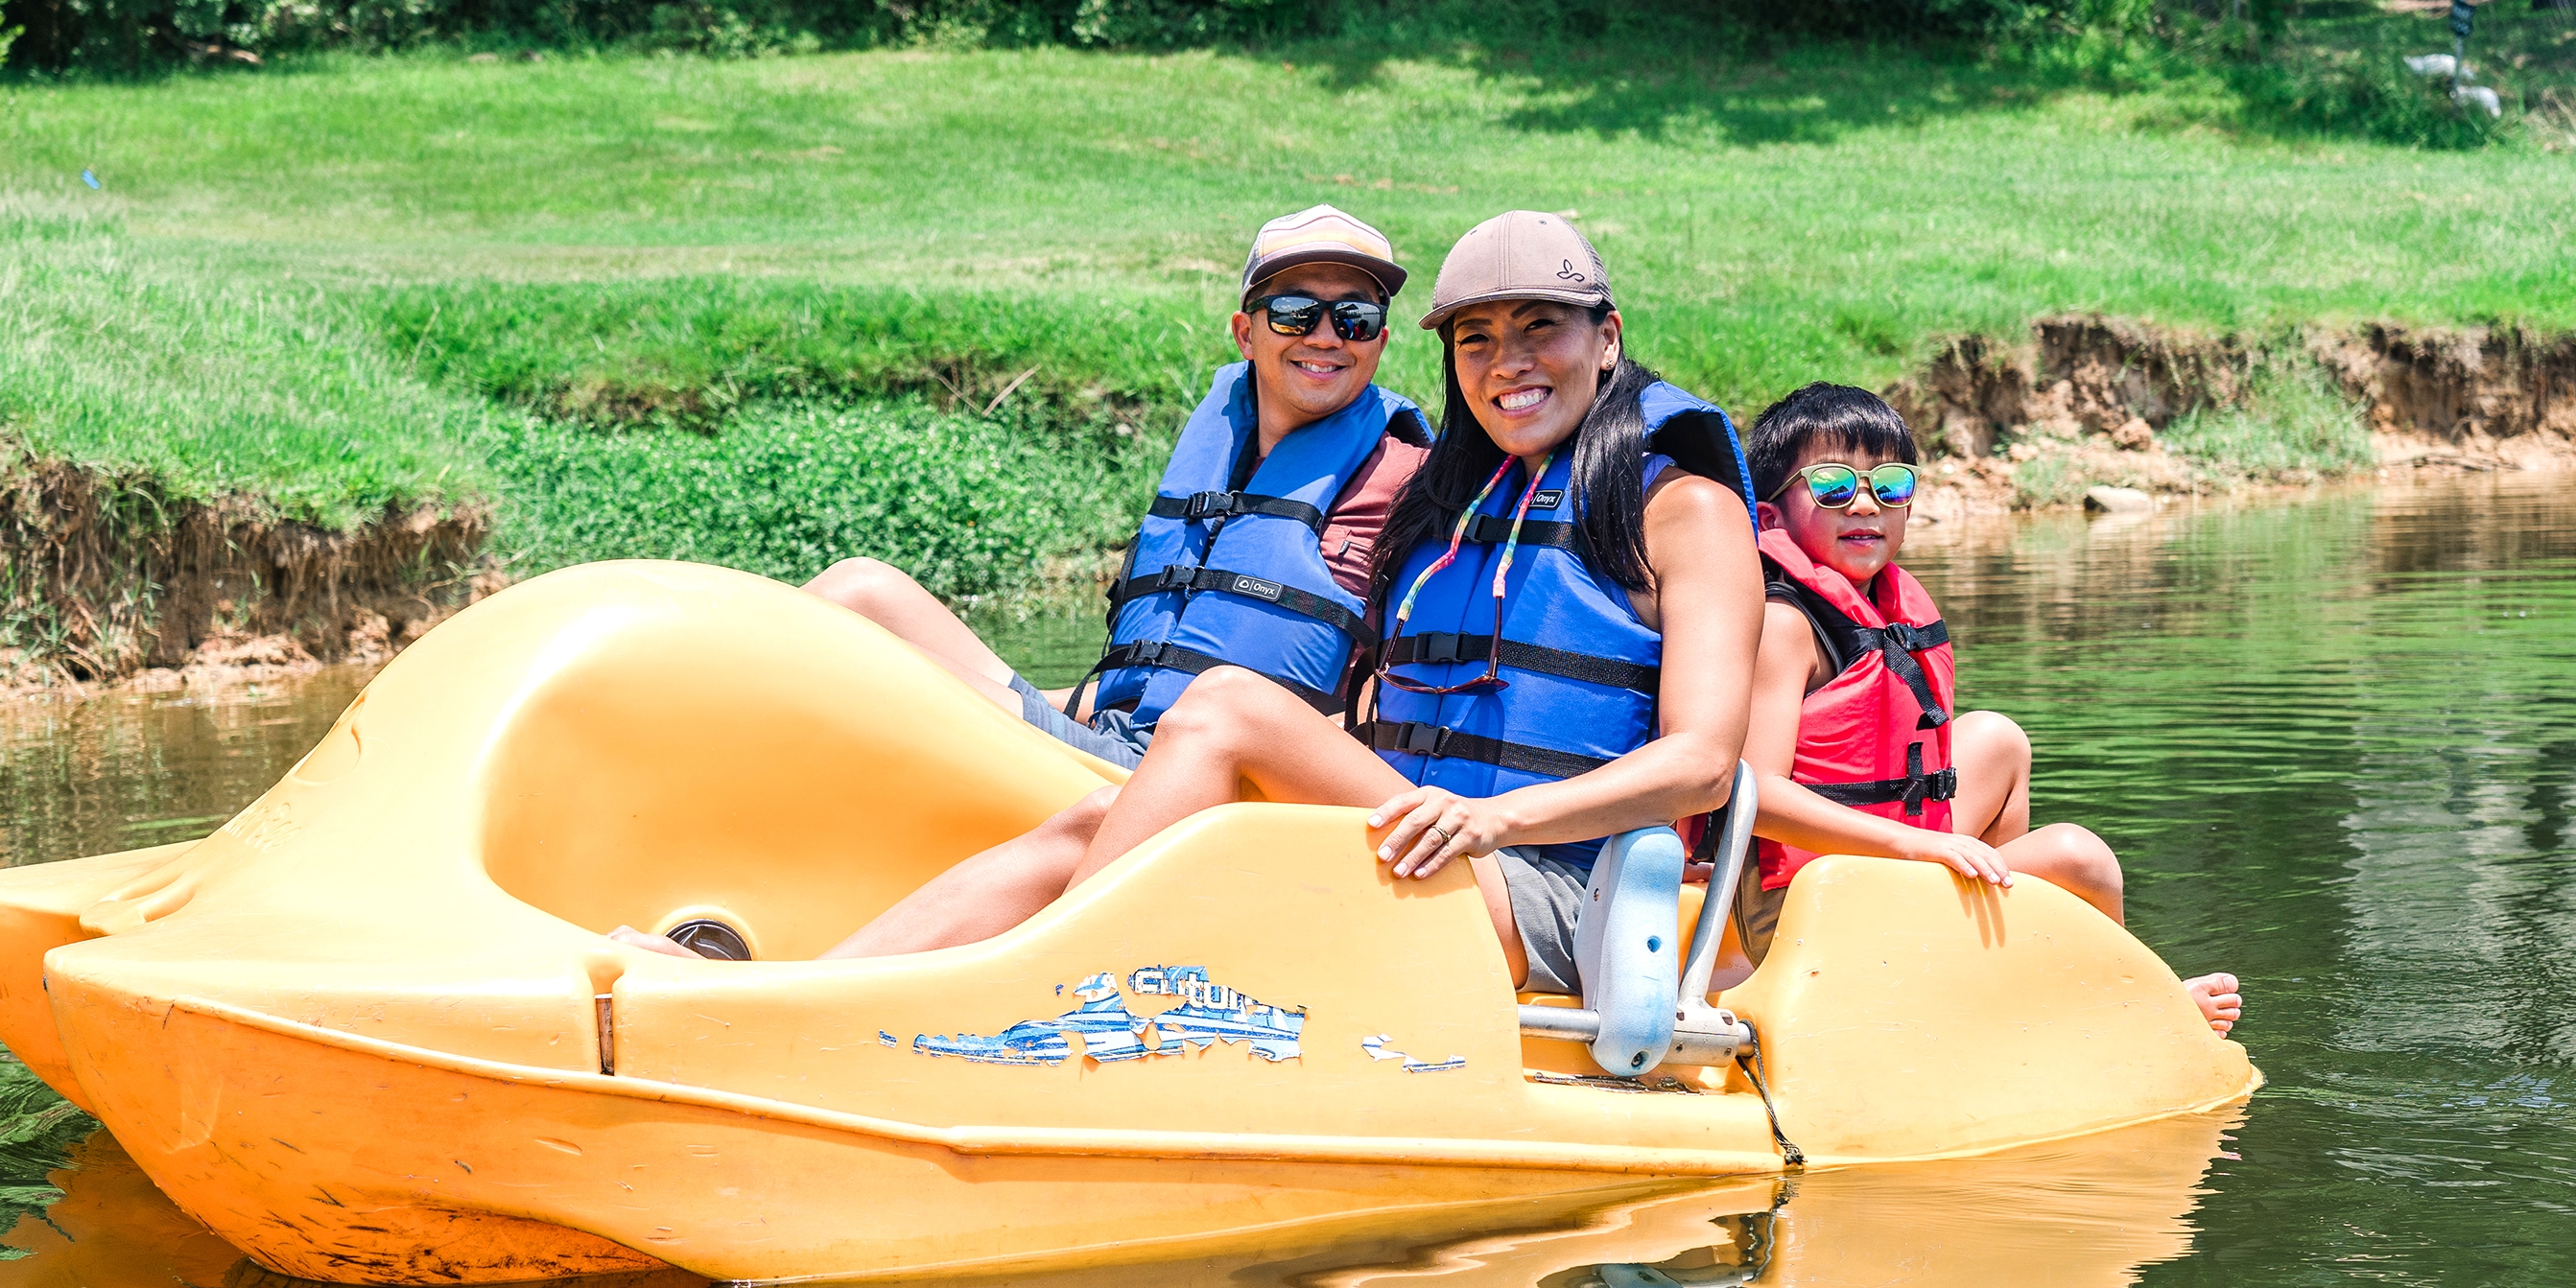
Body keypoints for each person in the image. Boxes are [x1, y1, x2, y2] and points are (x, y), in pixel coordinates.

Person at [804, 210, 1762, 992]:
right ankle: (805, 990)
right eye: (1479, 339)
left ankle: (1032, 994)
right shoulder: (1449, 518)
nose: (1508, 361)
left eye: (1540, 328)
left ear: (1608, 337)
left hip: (1550, 892)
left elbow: (1705, 762)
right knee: (1095, 818)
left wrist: (1503, 820)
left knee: (1226, 702)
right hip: (1419, 838)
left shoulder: (1683, 508)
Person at [625, 207, 1431, 961]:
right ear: (1245, 331)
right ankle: (682, 860)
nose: (1326, 336)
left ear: (1381, 341)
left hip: (1191, 774)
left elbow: (1394, 687)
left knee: (861, 671)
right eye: (1296, 313)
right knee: (857, 590)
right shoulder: (1225, 443)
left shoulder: (1405, 482)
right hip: (1108, 735)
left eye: (1353, 319)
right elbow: (1160, 652)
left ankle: (789, 981)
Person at [1725, 382, 2243, 1032]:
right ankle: (2135, 1010)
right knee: (2078, 857)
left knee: (1997, 740)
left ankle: (1995, 971)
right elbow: (1756, 796)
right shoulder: (1785, 625)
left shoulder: (1890, 608)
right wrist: (1911, 846)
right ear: (1770, 518)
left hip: (1885, 872)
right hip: (1817, 912)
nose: (1864, 503)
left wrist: (1915, 849)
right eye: (1832, 486)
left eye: (1889, 485)